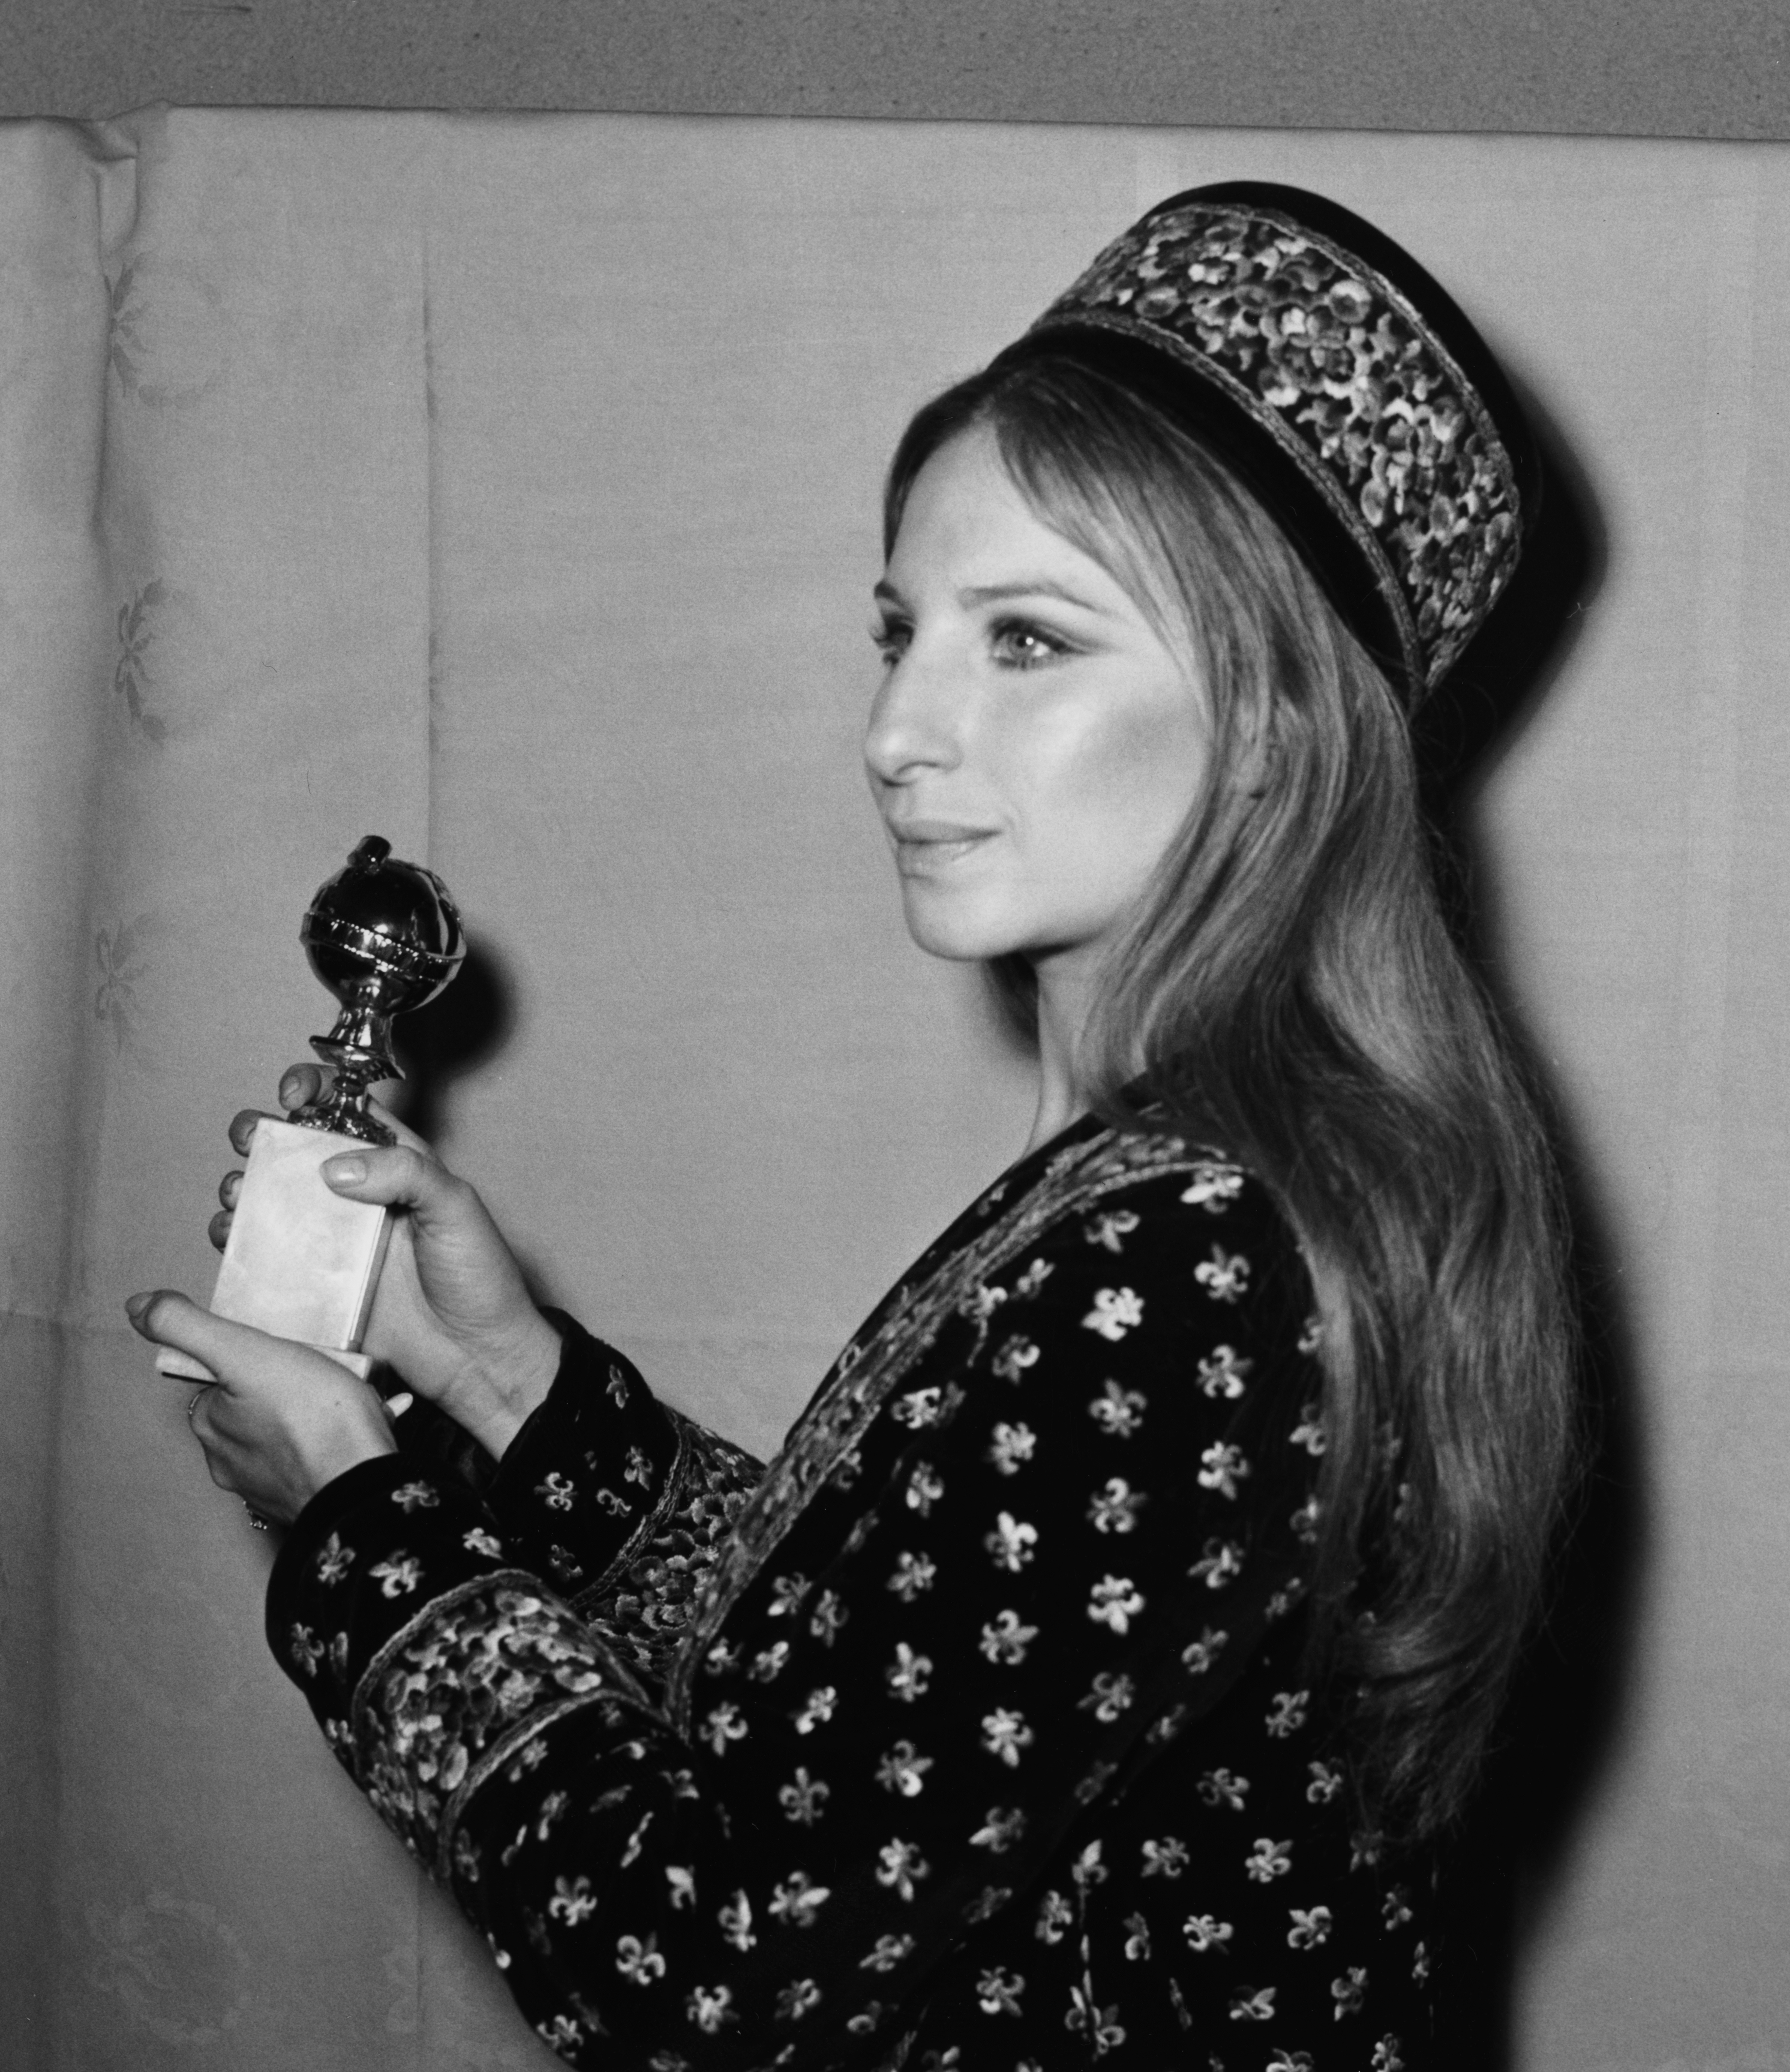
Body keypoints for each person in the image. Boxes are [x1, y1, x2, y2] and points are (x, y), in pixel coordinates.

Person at [128, 183, 1578, 2071]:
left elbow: (712, 1986)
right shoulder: (1186, 1175)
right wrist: (512, 1392)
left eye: (1027, 643)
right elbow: (896, 1693)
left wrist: (356, 1523)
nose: (898, 725)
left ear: (1275, 721)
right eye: (901, 628)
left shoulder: (1207, 1252)